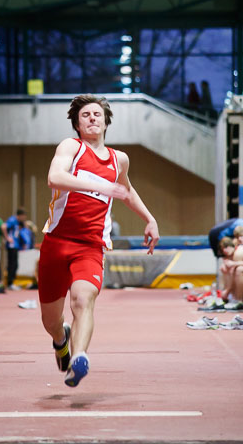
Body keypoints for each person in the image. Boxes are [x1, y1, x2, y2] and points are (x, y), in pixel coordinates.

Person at [38, 94, 159, 388]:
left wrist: (150, 219)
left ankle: (79, 358)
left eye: (97, 114)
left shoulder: (119, 160)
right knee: (51, 322)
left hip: (91, 247)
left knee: (83, 300)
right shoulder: (71, 147)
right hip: (56, 243)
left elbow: (126, 191)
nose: (92, 118)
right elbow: (55, 177)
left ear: (106, 121)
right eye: (85, 115)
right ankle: (61, 340)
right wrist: (99, 185)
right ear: (77, 124)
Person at [1, 208, 31, 289]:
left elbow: (25, 229)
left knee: (15, 264)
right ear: (20, 215)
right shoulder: (12, 220)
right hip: (12, 245)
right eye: (23, 217)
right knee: (12, 264)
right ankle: (9, 283)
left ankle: (11, 282)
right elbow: (3, 226)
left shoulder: (18, 222)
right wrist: (7, 238)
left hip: (16, 245)